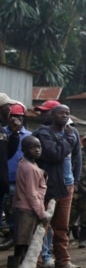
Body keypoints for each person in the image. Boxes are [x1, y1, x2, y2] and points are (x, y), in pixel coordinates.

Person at [32, 104, 81, 268]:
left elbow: (76, 158)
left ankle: (63, 260)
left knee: (62, 227)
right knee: (42, 226)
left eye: (67, 113)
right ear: (52, 115)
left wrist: (75, 179)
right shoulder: (44, 133)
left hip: (68, 185)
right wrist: (68, 138)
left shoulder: (72, 133)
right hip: (49, 186)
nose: (65, 116)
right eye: (61, 113)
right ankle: (37, 260)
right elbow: (54, 154)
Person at [10, 136, 49, 267]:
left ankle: (17, 263)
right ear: (24, 150)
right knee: (24, 244)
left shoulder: (25, 163)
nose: (37, 150)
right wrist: (42, 214)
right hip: (28, 210)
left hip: (21, 207)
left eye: (39, 147)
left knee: (20, 244)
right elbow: (32, 194)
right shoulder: (30, 168)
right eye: (33, 148)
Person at [1, 102, 31, 251]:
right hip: (5, 178)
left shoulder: (30, 136)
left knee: (16, 211)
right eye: (13, 116)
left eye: (19, 117)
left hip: (20, 180)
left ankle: (15, 241)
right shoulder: (3, 132)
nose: (15, 120)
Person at [68, 132, 86, 249]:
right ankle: (64, 241)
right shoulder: (77, 154)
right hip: (76, 188)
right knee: (70, 217)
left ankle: (82, 240)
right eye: (85, 140)